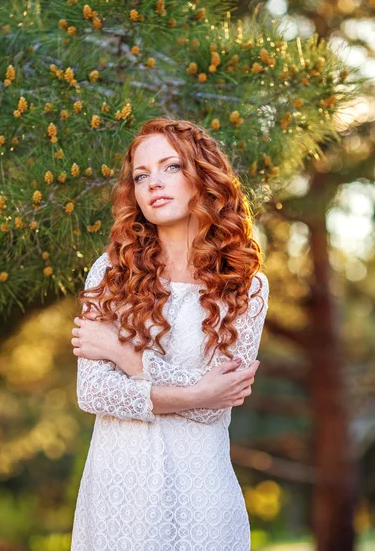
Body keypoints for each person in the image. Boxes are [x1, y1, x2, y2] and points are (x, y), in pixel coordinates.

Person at [70, 117, 269, 551]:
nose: (153, 184)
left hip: (203, 494)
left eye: (170, 167)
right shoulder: (110, 272)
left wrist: (128, 358)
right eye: (141, 176)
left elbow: (214, 410)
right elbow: (94, 393)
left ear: (203, 174)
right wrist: (197, 391)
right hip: (118, 493)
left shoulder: (245, 284)